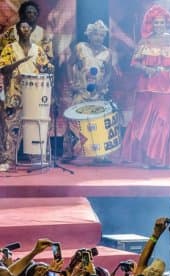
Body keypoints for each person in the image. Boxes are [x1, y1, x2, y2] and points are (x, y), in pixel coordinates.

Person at [121, 4, 170, 169]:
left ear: (166, 23)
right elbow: (134, 63)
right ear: (151, 23)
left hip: (166, 85)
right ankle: (147, 159)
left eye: (161, 22)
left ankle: (162, 159)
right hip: (147, 86)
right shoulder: (145, 41)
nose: (158, 25)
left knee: (163, 120)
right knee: (146, 122)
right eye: (155, 23)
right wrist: (147, 69)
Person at [0, 20, 52, 172]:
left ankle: (36, 157)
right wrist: (21, 61)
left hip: (34, 97)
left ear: (31, 31)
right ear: (17, 30)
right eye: (22, 27)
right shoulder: (10, 49)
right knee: (11, 128)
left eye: (28, 28)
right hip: (14, 94)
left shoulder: (38, 50)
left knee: (34, 126)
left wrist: (49, 69)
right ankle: (8, 160)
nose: (25, 30)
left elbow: (47, 68)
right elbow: (4, 69)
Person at [63, 20, 114, 163]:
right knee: (74, 120)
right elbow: (69, 63)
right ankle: (69, 153)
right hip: (81, 90)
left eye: (101, 35)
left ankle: (100, 155)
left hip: (98, 93)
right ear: (90, 35)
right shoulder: (80, 47)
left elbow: (109, 72)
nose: (98, 38)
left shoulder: (107, 52)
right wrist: (71, 83)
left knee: (98, 122)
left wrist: (102, 84)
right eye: (96, 35)